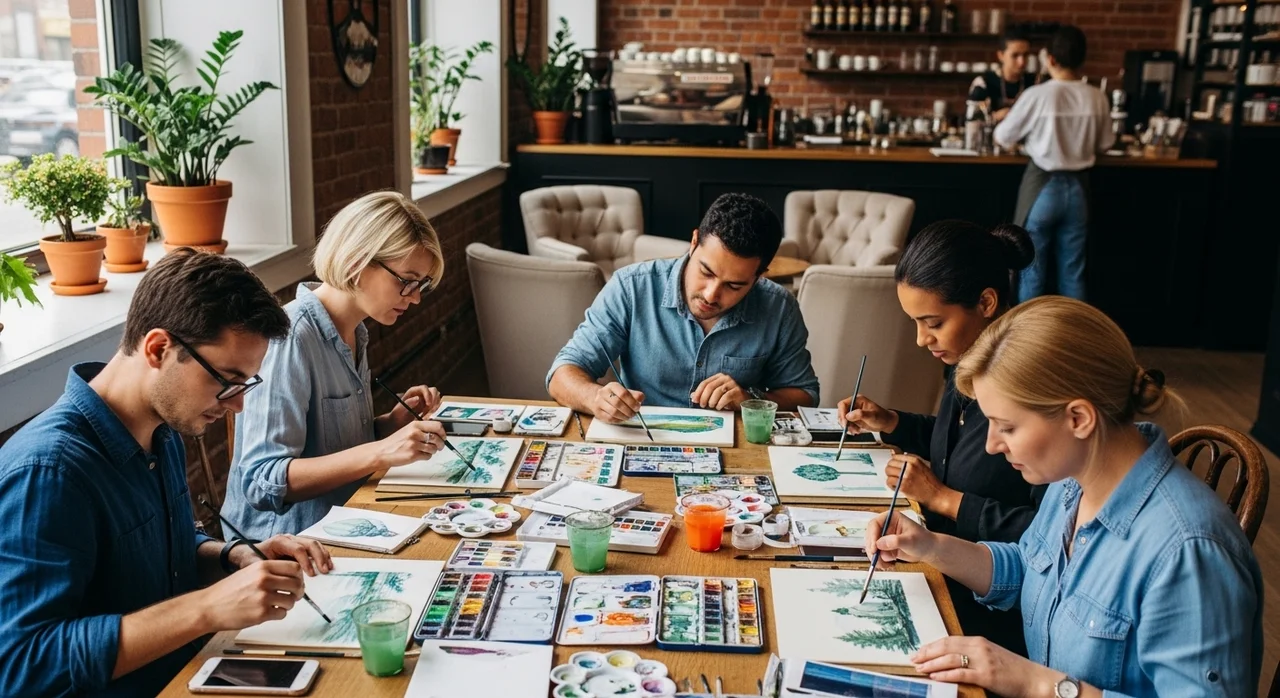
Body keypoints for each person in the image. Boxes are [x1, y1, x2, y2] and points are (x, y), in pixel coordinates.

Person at [864, 296, 1262, 697]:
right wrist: (930, 546)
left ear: (1079, 418)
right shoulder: (1073, 480)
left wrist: (1035, 682)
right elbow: (1030, 569)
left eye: (1007, 427)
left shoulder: (1189, 552)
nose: (991, 445)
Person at [0, 249, 334, 697]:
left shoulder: (162, 431)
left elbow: (158, 553)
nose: (238, 404)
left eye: (246, 384)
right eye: (227, 380)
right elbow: (21, 665)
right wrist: (207, 608)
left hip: (191, 673)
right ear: (158, 348)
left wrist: (233, 556)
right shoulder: (48, 473)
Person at [836, 219, 1044, 654]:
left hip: (993, 610)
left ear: (986, 302)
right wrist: (891, 421)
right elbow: (959, 444)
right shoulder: (967, 359)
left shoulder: (1031, 391)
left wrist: (943, 498)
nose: (920, 339)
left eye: (932, 322)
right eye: (914, 322)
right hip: (938, 563)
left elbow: (1052, 535)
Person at [224, 191, 450, 541]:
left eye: (421, 285)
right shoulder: (292, 338)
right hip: (285, 546)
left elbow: (331, 448)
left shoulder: (355, 332)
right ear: (358, 263)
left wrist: (390, 426)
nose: (416, 297)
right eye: (406, 281)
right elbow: (261, 481)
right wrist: (381, 451)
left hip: (346, 520)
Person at [548, 192, 820, 423]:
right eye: (706, 272)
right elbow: (562, 374)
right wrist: (595, 398)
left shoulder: (779, 307)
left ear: (759, 276)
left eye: (734, 285)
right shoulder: (631, 287)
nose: (711, 295)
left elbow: (805, 395)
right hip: (643, 440)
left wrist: (751, 400)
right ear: (693, 242)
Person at [994, 24, 1113, 302]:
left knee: (1031, 269)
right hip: (1079, 189)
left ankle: (1029, 330)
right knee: (1073, 271)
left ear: (1050, 59)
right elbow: (1106, 143)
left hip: (1043, 187)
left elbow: (1002, 136)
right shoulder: (1097, 96)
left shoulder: (1038, 95)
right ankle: (1076, 330)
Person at [967, 27, 1037, 122]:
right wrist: (994, 117)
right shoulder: (983, 83)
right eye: (1015, 55)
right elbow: (970, 119)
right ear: (1001, 55)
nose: (1021, 62)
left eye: (1025, 55)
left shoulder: (1035, 83)